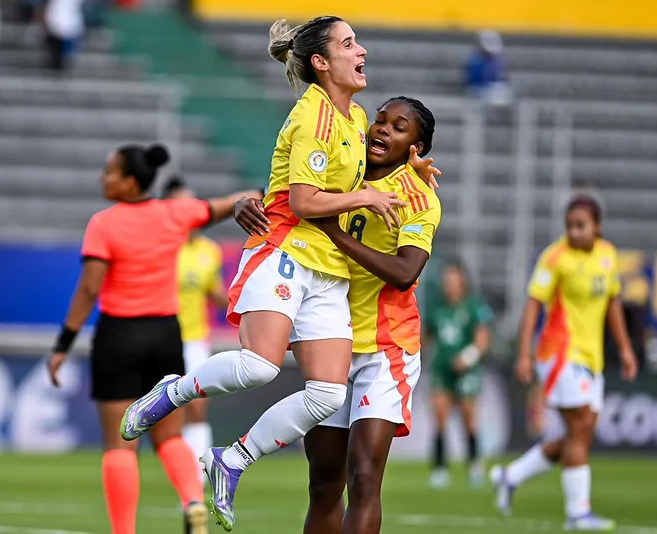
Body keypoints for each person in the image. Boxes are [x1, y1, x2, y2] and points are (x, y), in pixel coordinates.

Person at [118, 15, 440, 532]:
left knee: (328, 398)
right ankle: (172, 392)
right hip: (286, 248)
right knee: (259, 368)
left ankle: (232, 460)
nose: (362, 51)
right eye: (350, 43)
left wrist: (411, 170)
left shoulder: (357, 119)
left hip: (335, 279)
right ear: (322, 62)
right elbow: (305, 201)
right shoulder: (313, 115)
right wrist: (363, 197)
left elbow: (360, 170)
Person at [46, 143, 262, 534]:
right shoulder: (176, 213)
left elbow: (89, 289)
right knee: (170, 435)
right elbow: (228, 203)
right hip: (165, 335)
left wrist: (62, 345)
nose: (103, 178)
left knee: (120, 445)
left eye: (110, 172)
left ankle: (124, 531)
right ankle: (192, 501)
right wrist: (259, 194)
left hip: (119, 334)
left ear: (130, 182)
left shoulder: (104, 223)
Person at [299, 96, 440, 534]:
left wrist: (336, 234)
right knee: (324, 482)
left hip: (386, 348)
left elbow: (404, 273)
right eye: (380, 120)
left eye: (398, 127)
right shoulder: (344, 174)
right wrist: (245, 202)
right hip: (332, 341)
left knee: (363, 479)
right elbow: (294, 189)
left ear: (416, 148)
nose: (382, 129)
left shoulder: (418, 198)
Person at [489, 194, 639, 531]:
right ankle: (577, 513)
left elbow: (613, 303)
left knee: (579, 434)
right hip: (560, 354)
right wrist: (524, 354)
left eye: (581, 225)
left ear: (597, 226)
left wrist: (626, 349)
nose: (574, 231)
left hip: (592, 358)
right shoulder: (555, 257)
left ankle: (511, 476)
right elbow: (533, 306)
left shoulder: (608, 255)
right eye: (569, 225)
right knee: (581, 427)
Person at [163, 176, 228, 479]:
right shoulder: (160, 248)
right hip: (161, 338)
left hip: (194, 339)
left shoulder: (209, 250)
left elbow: (214, 291)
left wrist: (240, 303)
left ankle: (197, 475)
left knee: (197, 407)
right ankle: (176, 469)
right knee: (167, 411)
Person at [425, 263, 493, 489]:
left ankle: (474, 463)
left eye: (454, 282)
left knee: (468, 418)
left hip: (466, 371)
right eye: (447, 282)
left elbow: (482, 339)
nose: (450, 286)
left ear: (463, 283)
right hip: (441, 369)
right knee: (440, 417)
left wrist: (467, 358)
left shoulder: (474, 307)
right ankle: (440, 467)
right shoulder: (437, 308)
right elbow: (426, 338)